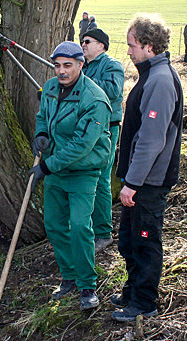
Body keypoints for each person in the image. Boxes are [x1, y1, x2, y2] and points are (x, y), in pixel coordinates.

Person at [29, 41, 112, 311]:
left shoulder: (95, 98)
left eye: (67, 65)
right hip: (55, 168)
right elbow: (42, 116)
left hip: (83, 170)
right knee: (53, 225)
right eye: (57, 65)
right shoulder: (51, 88)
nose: (61, 71)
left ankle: (87, 285)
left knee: (79, 226)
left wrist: (46, 167)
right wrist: (41, 135)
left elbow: (81, 145)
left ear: (80, 64)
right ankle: (69, 277)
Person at [112, 14, 183, 322]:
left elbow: (152, 140)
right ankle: (132, 291)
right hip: (139, 179)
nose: (128, 52)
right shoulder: (151, 75)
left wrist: (132, 183)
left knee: (145, 241)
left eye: (131, 45)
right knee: (128, 239)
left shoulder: (161, 81)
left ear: (148, 46)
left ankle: (144, 303)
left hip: (149, 183)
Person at [81, 28, 125, 252]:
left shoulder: (112, 65)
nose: (83, 45)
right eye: (82, 42)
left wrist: (82, 79)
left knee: (101, 180)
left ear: (101, 45)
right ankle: (85, 229)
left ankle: (104, 233)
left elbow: (114, 91)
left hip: (107, 129)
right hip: (86, 128)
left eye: (88, 41)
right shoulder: (84, 65)